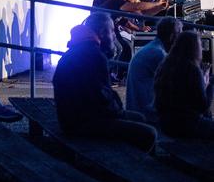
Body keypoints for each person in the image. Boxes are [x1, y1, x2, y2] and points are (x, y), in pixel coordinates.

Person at [52, 13, 157, 152]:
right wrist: (118, 112)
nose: (114, 36)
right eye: (112, 31)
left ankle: (126, 157)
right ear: (102, 33)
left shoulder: (80, 49)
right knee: (149, 134)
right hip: (82, 122)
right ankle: (133, 167)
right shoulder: (94, 55)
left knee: (138, 118)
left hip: (71, 116)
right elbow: (101, 97)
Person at [154, 31, 214, 139]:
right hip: (185, 126)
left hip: (165, 123)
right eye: (200, 45)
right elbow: (203, 106)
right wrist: (210, 84)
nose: (201, 49)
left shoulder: (165, 65)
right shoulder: (192, 70)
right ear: (194, 48)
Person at [125, 17, 181, 121]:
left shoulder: (152, 49)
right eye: (179, 35)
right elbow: (176, 87)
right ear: (172, 36)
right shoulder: (158, 54)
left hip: (137, 110)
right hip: (148, 117)